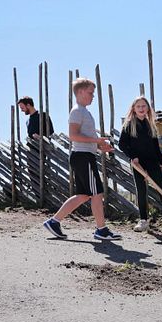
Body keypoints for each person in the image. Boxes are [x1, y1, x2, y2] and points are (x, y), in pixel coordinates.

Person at [42, 77, 120, 241]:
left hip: (84, 155)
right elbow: (73, 135)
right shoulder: (77, 111)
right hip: (83, 157)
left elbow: (83, 137)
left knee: (84, 195)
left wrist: (100, 146)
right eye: (91, 93)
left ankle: (54, 222)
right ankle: (101, 230)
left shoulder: (83, 111)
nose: (93, 96)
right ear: (80, 92)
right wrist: (96, 141)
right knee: (97, 193)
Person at [119, 96, 162, 232]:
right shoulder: (129, 124)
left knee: (161, 189)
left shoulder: (150, 125)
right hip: (138, 163)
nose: (141, 109)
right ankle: (143, 221)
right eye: (138, 107)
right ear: (134, 109)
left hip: (152, 162)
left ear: (148, 108)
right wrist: (133, 157)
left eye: (144, 106)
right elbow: (122, 144)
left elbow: (155, 147)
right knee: (141, 191)